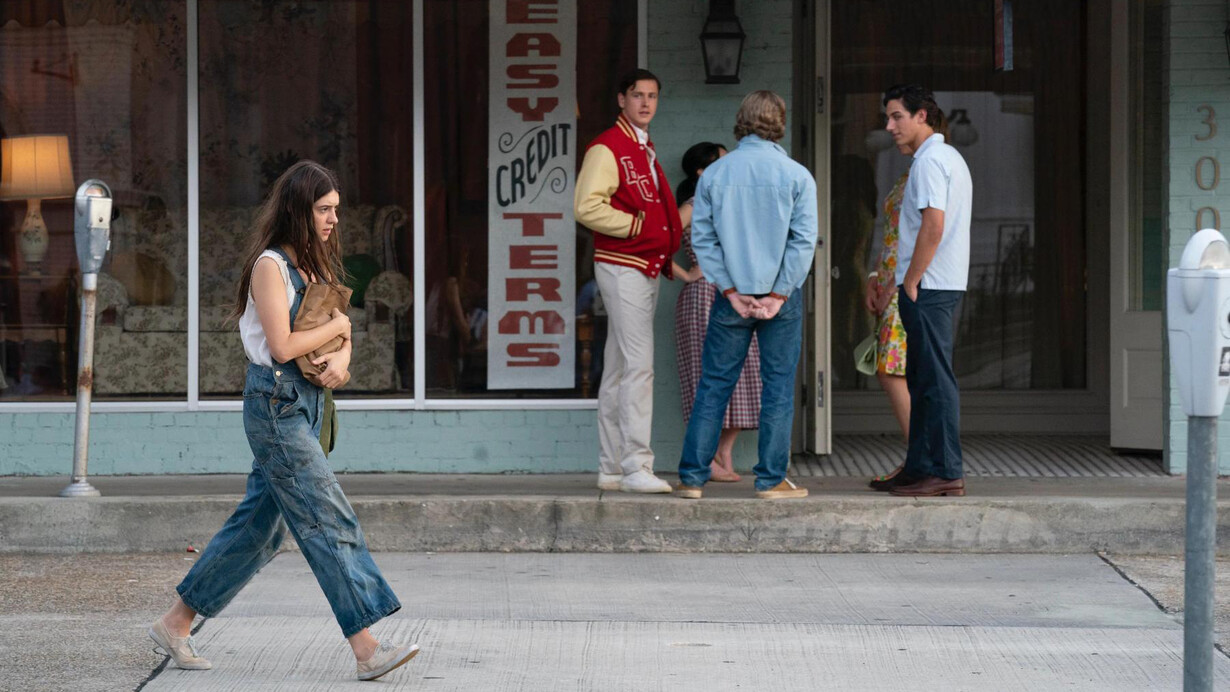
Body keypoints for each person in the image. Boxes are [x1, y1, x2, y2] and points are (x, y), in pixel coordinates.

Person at [148, 161, 419, 682]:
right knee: (326, 516)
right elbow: (282, 346)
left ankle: (175, 623)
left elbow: (336, 340)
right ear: (298, 210)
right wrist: (340, 324)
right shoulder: (270, 266)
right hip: (276, 406)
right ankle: (367, 648)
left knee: (260, 530)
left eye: (336, 209)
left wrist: (342, 359)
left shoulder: (312, 268)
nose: (333, 219)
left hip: (307, 403)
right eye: (324, 209)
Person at [674, 90, 818, 500]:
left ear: (741, 121)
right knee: (777, 387)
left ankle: (692, 478)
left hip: (730, 297)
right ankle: (771, 481)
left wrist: (732, 290)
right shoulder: (796, 175)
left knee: (714, 385)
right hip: (780, 300)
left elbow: (703, 238)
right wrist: (778, 294)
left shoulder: (716, 175)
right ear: (780, 123)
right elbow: (804, 242)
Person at [574, 68, 685, 494]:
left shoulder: (641, 147)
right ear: (621, 99)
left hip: (641, 264)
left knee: (620, 369)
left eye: (652, 96)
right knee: (639, 367)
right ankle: (637, 465)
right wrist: (637, 226)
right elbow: (586, 206)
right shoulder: (609, 146)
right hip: (624, 264)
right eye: (637, 95)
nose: (645, 103)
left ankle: (612, 467)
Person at [878, 84, 972, 498]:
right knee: (921, 378)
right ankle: (919, 467)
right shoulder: (942, 157)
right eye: (888, 117)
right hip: (935, 284)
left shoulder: (931, 161)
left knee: (934, 380)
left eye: (897, 116)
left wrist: (912, 279)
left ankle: (946, 470)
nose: (889, 126)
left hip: (929, 286)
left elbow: (933, 225)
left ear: (923, 116)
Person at [673, 141, 758, 483]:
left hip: (738, 292)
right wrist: (685, 273)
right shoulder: (693, 205)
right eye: (722, 162)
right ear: (701, 172)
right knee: (704, 374)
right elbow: (658, 241)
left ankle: (724, 453)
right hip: (703, 297)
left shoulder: (731, 202)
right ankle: (704, 458)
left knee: (748, 373)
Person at [865, 171, 912, 490]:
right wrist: (873, 276)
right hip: (889, 279)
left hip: (903, 286)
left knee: (891, 371)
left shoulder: (930, 169)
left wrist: (893, 288)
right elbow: (892, 235)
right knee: (894, 371)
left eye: (897, 117)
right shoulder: (906, 175)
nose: (890, 128)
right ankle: (918, 457)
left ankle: (919, 457)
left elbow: (927, 235)